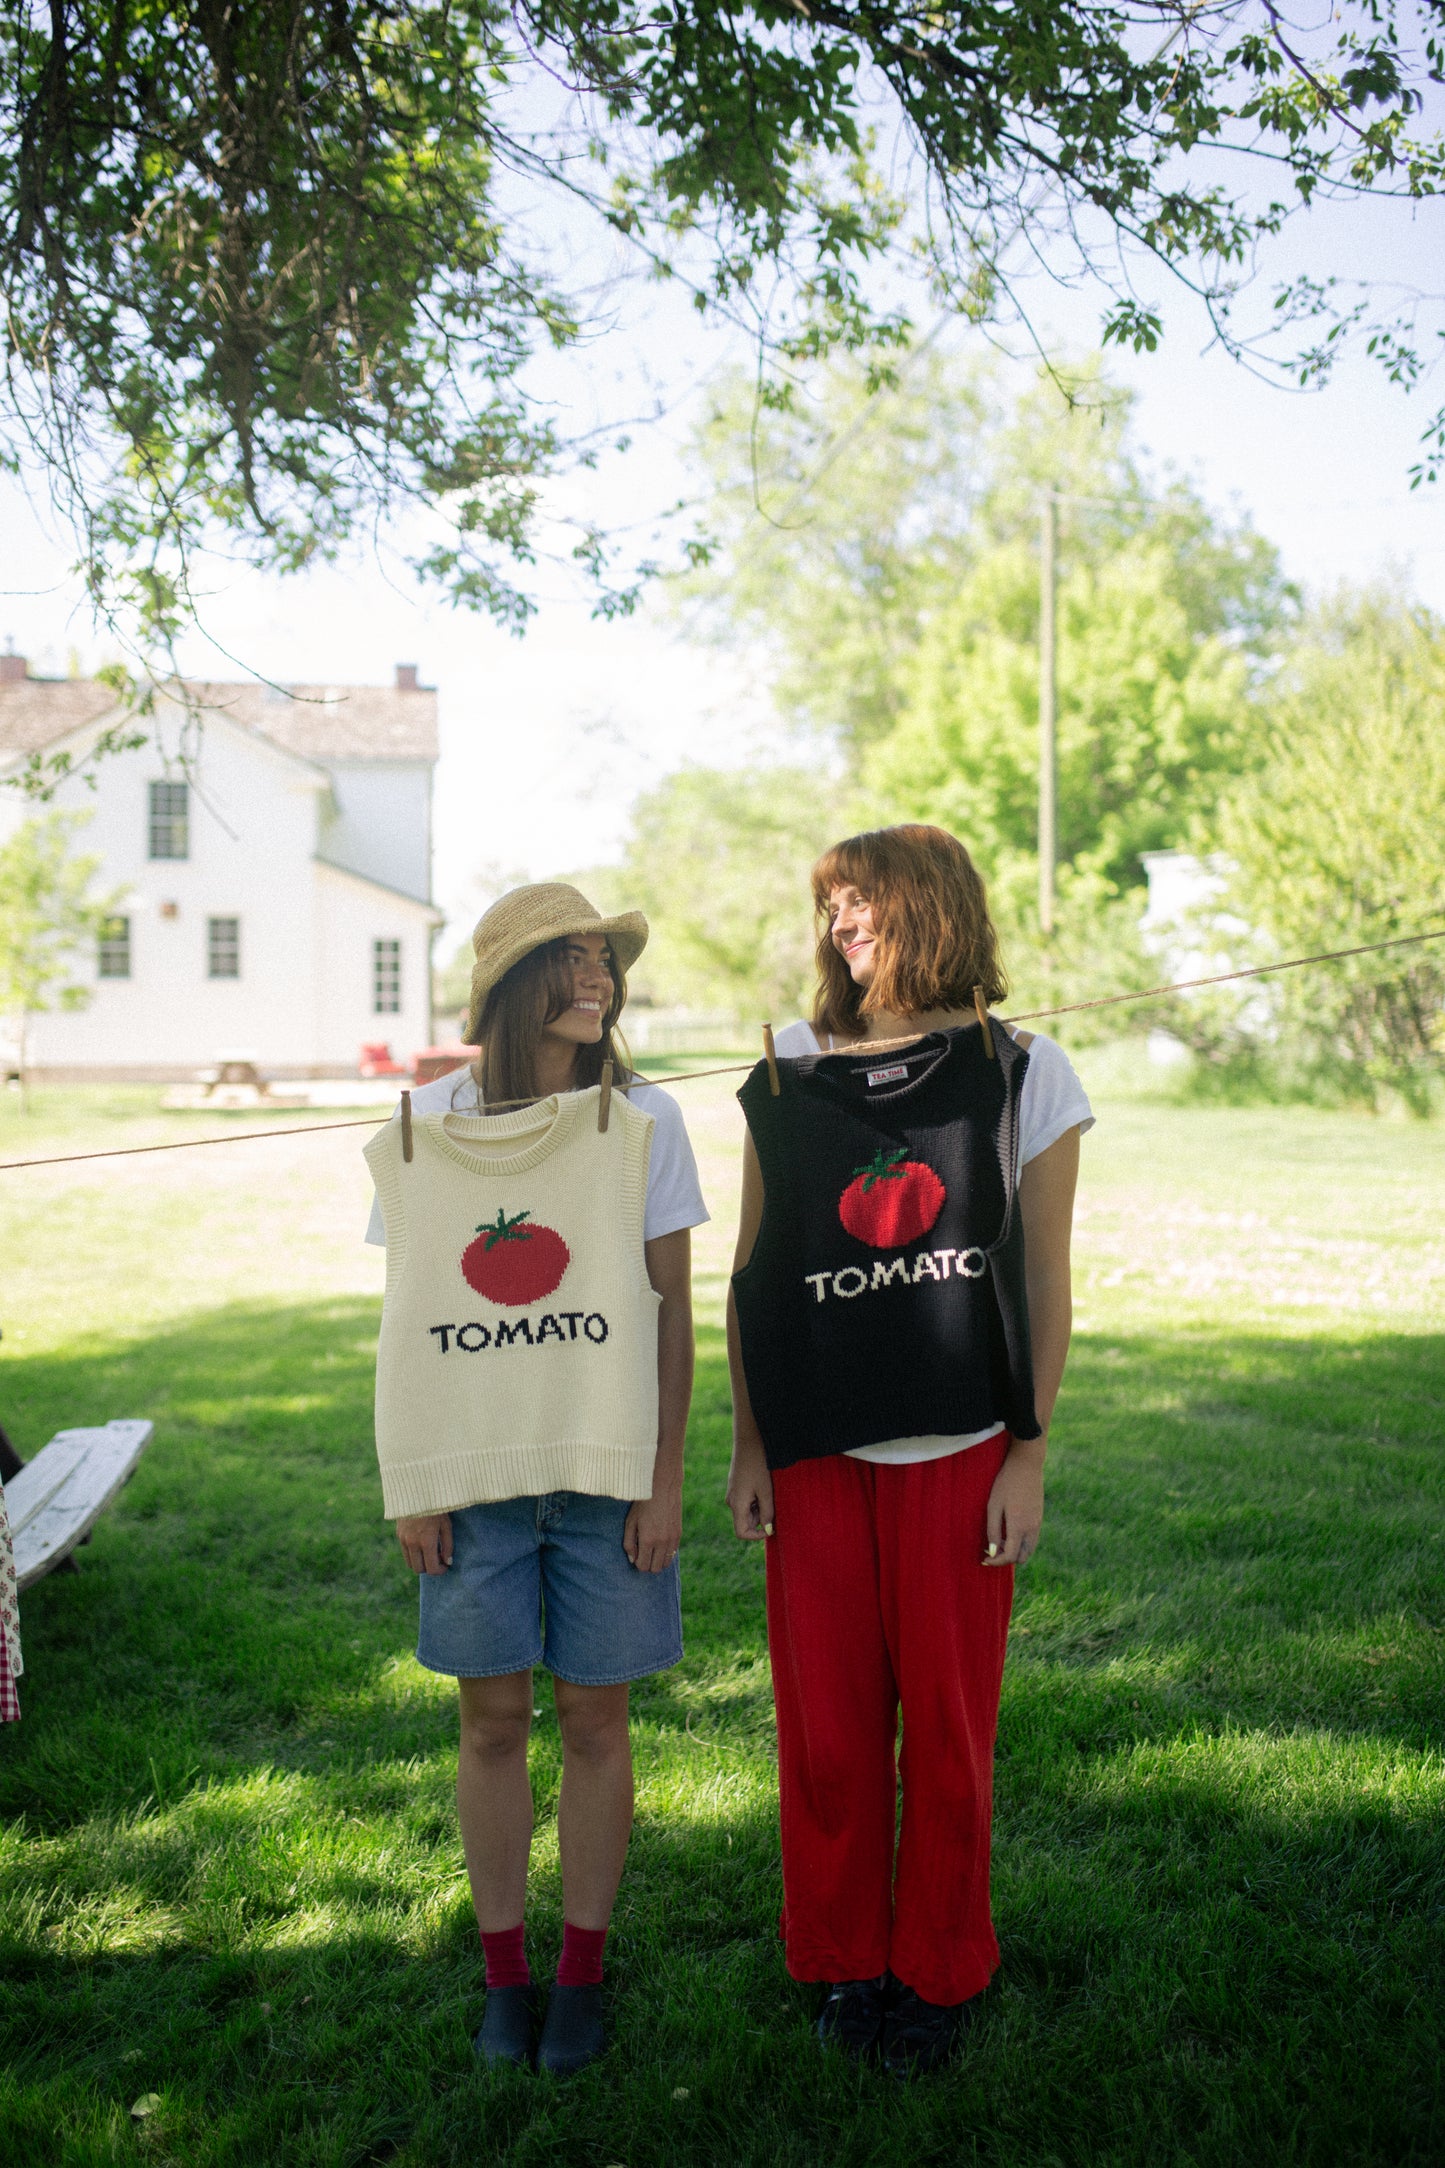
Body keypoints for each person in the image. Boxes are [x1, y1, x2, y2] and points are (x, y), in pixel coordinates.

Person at [725, 824, 1092, 2076]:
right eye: (830, 903)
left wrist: (1027, 1451)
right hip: (819, 1450)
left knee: (944, 1728)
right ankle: (841, 1958)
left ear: (929, 905)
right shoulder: (784, 1067)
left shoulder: (1024, 1070)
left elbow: (1041, 1280)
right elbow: (752, 1276)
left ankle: (934, 1968)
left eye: (863, 899)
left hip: (960, 1448)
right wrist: (750, 1443)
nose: (843, 923)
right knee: (825, 1731)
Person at [363, 883, 707, 2076]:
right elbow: (410, 1320)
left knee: (593, 1715)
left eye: (603, 954)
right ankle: (505, 1975)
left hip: (604, 1469)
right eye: (569, 957)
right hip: (473, 1475)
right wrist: (415, 1477)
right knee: (493, 1717)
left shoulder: (643, 1118)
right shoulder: (427, 1121)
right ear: (515, 984)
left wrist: (661, 1477)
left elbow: (671, 1318)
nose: (598, 972)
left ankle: (581, 1973)